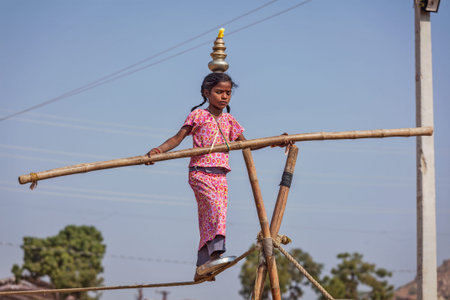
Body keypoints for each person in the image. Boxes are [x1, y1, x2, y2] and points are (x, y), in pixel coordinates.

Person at [146, 72, 288, 281]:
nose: (224, 97)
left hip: (220, 177)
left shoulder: (230, 121)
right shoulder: (197, 116)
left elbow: (248, 145)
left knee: (210, 218)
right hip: (200, 173)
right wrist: (158, 151)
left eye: (228, 93)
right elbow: (177, 138)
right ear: (206, 93)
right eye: (219, 92)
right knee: (216, 210)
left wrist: (275, 141)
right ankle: (216, 254)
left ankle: (202, 264)